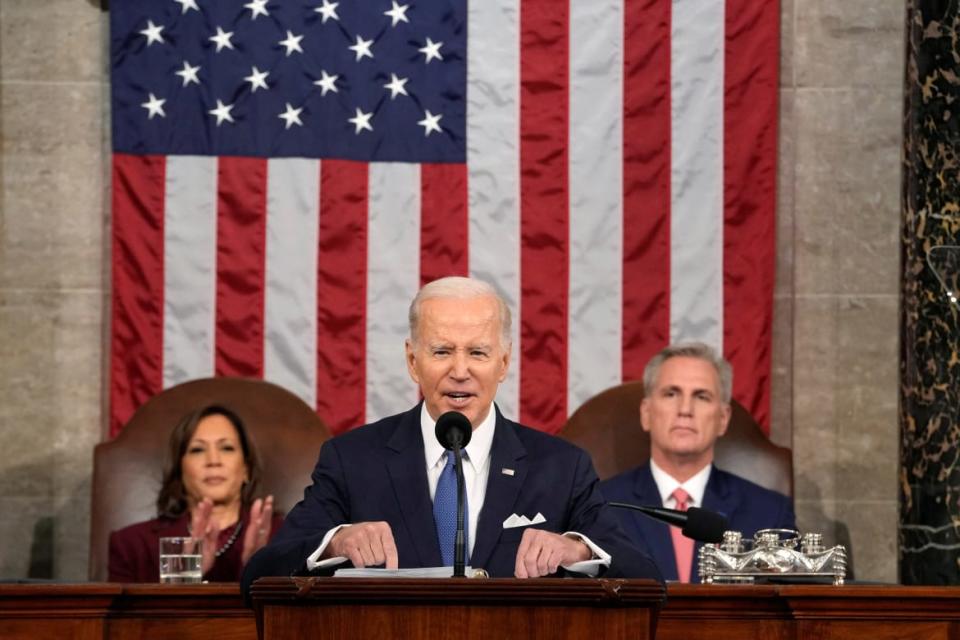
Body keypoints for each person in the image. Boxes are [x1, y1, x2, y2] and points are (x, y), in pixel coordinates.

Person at [242, 276, 661, 593]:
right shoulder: (353, 460)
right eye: (442, 351)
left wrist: (581, 551)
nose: (459, 370)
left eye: (477, 352)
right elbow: (259, 576)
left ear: (503, 362)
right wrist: (335, 542)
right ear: (413, 360)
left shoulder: (561, 467)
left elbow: (647, 580)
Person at [599, 342, 796, 583]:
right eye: (671, 394)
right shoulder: (602, 505)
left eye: (701, 396)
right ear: (646, 413)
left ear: (723, 419)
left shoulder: (769, 513)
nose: (685, 409)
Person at [109, 405, 282, 582]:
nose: (213, 461)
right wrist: (184, 576)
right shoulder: (131, 545)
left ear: (246, 469)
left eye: (227, 448)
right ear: (179, 469)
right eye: (197, 450)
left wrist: (258, 572)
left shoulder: (288, 537)